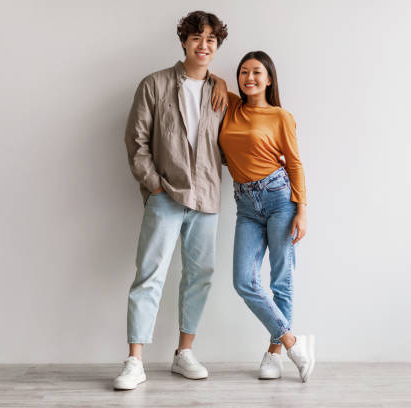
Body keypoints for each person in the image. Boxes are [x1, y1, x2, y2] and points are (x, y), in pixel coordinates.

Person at [114, 11, 229, 391]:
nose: (204, 45)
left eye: (211, 39)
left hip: (207, 197)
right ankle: (135, 361)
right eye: (197, 37)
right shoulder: (155, 84)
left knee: (199, 277)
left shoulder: (221, 93)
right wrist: (155, 185)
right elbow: (137, 142)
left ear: (217, 46)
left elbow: (231, 144)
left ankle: (184, 353)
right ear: (184, 41)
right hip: (166, 195)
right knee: (149, 275)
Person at [218, 51, 315, 382]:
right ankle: (290, 341)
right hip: (245, 203)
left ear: (269, 79)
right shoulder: (231, 106)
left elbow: (295, 163)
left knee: (281, 279)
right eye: (243, 72)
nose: (249, 78)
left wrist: (301, 209)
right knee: (243, 281)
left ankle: (274, 354)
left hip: (279, 199)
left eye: (257, 72)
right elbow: (209, 81)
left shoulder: (280, 116)